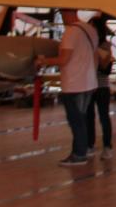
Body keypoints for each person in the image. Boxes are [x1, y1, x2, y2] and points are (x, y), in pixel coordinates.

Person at [36, 9, 98, 166]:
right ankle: (85, 149)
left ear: (67, 14)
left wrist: (44, 61)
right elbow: (95, 56)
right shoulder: (90, 30)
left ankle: (79, 154)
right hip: (90, 82)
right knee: (82, 119)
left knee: (76, 121)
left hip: (74, 84)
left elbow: (64, 59)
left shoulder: (71, 32)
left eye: (63, 15)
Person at [85, 15, 114, 160]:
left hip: (101, 85)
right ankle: (90, 145)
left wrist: (96, 52)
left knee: (104, 116)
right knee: (88, 116)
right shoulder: (85, 44)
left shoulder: (105, 45)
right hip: (88, 85)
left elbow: (104, 65)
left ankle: (107, 146)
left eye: (93, 27)